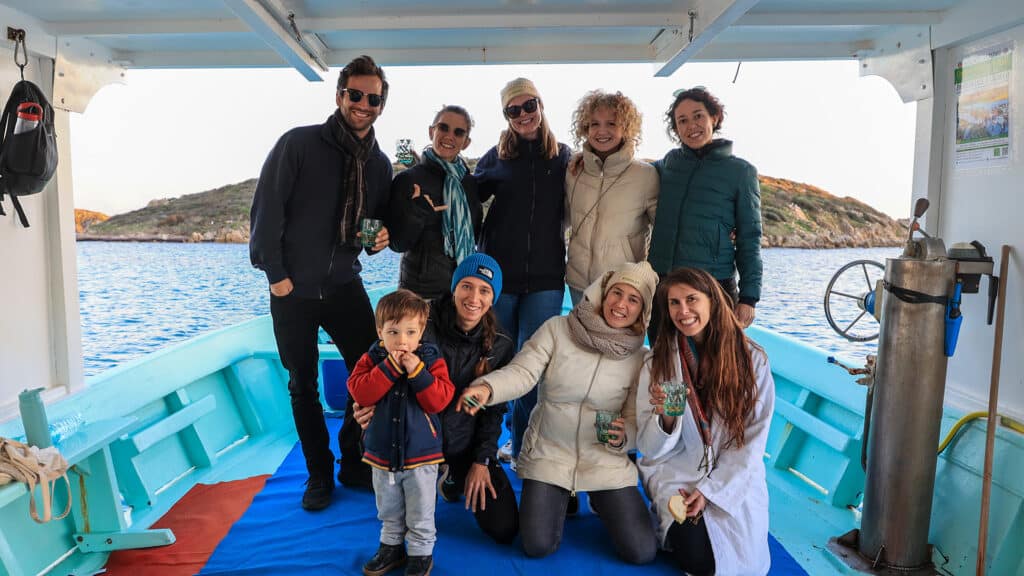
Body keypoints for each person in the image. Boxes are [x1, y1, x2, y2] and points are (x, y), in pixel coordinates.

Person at [249, 54, 392, 510]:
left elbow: (373, 227)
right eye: (356, 94)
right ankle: (319, 475)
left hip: (345, 285)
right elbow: (267, 211)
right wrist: (278, 278)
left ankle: (353, 460)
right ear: (339, 95)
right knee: (302, 385)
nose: (364, 104)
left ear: (381, 103)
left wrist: (382, 237)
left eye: (373, 98)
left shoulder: (380, 165)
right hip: (292, 290)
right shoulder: (299, 144)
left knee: (371, 373)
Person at [460, 261, 660, 565]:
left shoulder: (640, 357)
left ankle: (594, 494)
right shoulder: (558, 329)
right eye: (616, 293)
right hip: (550, 452)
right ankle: (561, 492)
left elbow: (635, 421)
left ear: (642, 310)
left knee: (642, 552)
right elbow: (522, 372)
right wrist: (487, 388)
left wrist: (624, 437)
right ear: (602, 293)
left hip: (603, 460)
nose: (621, 304)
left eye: (633, 299)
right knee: (537, 545)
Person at [354, 253, 519, 544]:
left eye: (485, 290)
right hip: (411, 439)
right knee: (399, 523)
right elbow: (375, 359)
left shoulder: (501, 343)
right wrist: (363, 407)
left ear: (493, 299)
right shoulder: (421, 322)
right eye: (466, 285)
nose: (474, 297)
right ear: (454, 287)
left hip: (461, 442)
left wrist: (482, 460)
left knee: (504, 527)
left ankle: (452, 474)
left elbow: (495, 410)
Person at [635, 267, 775, 576]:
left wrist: (712, 491)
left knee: (741, 563)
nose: (683, 311)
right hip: (677, 470)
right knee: (698, 559)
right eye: (673, 303)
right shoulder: (656, 363)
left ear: (712, 300)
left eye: (691, 299)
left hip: (733, 475)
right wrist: (667, 417)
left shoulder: (752, 362)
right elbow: (649, 449)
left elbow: (752, 442)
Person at [473, 77, 571, 463]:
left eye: (528, 105)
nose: (523, 115)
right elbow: (466, 195)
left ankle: (521, 441)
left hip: (546, 279)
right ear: (506, 117)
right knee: (497, 358)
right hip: (499, 279)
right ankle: (481, 446)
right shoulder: (496, 157)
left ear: (540, 105)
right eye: (513, 110)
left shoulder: (563, 156)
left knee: (532, 365)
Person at [347, 289, 455, 576]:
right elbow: (359, 390)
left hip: (422, 455)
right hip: (381, 454)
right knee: (388, 506)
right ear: (380, 332)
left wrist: (418, 372)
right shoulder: (372, 358)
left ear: (421, 332)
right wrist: (390, 368)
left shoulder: (431, 359)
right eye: (393, 332)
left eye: (410, 332)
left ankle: (421, 552)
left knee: (421, 509)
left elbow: (440, 399)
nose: (402, 341)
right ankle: (391, 546)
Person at [647, 87, 763, 335]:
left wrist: (749, 297)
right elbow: (634, 170)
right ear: (676, 128)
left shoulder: (741, 172)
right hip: (664, 285)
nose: (692, 126)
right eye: (682, 120)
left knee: (712, 368)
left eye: (698, 116)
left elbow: (749, 238)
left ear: (715, 117)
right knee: (664, 365)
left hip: (713, 287)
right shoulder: (670, 163)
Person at [565, 90, 658, 306]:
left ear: (626, 128)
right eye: (594, 124)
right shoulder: (574, 172)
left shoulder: (645, 175)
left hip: (622, 286)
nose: (601, 131)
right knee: (580, 340)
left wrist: (644, 276)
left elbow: (662, 232)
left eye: (611, 124)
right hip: (578, 283)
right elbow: (562, 220)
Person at [388, 105, 482, 300]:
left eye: (459, 132)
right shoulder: (408, 179)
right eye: (443, 128)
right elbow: (398, 244)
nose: (449, 136)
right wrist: (417, 212)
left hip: (461, 291)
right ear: (432, 131)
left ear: (466, 142)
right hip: (418, 294)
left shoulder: (469, 184)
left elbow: (475, 233)